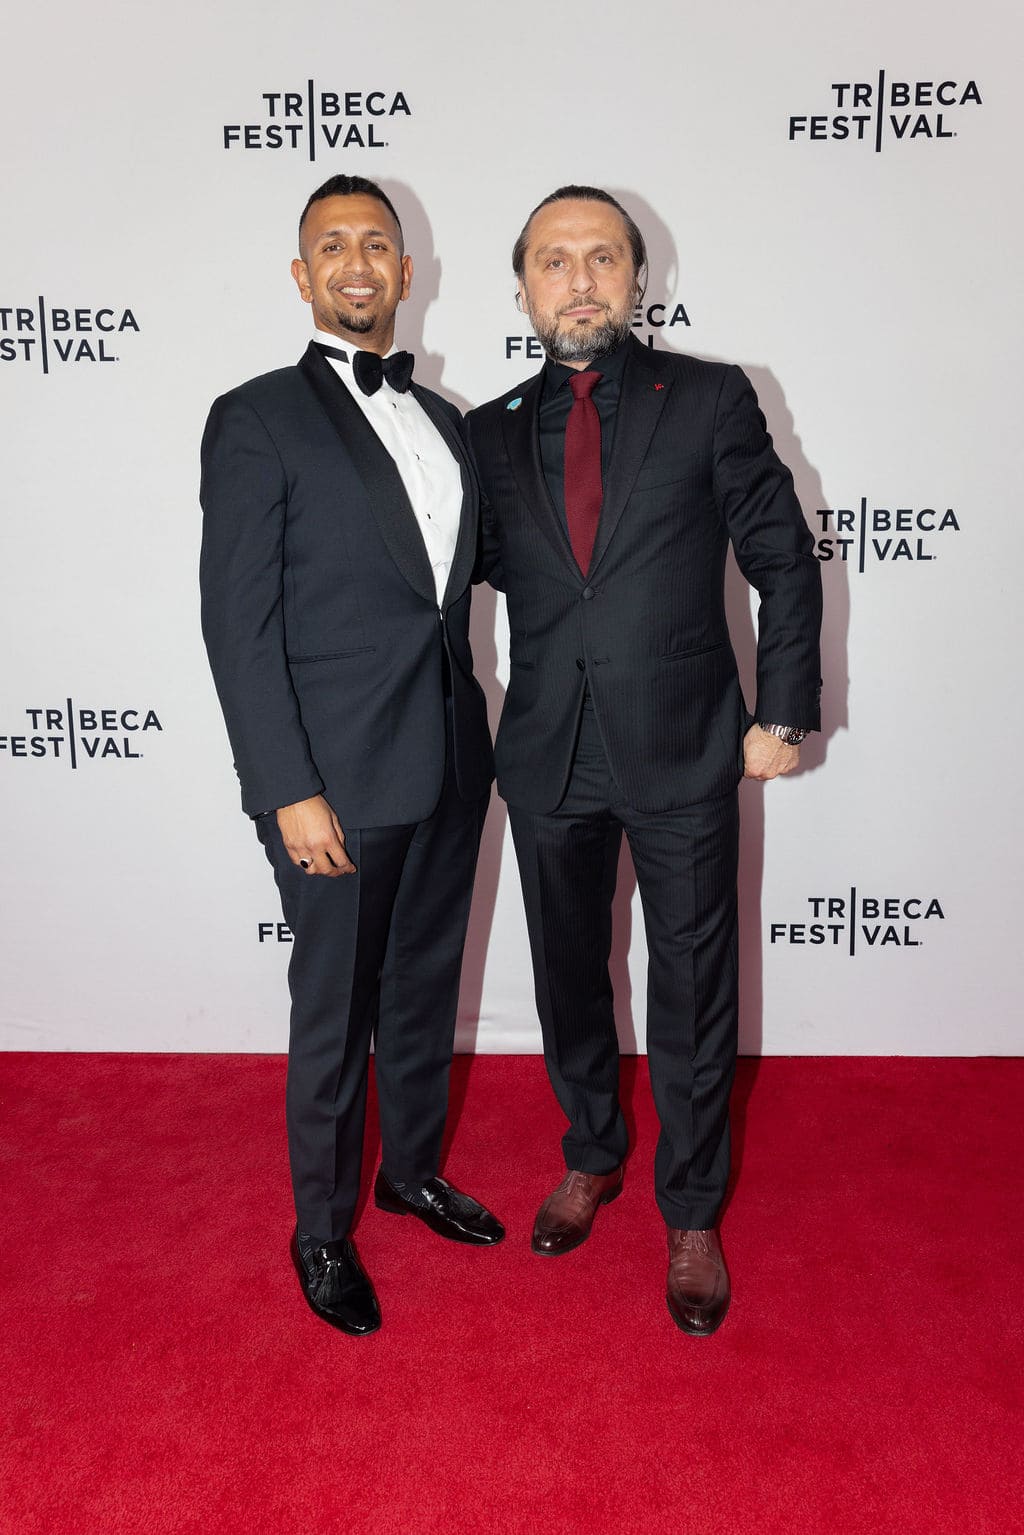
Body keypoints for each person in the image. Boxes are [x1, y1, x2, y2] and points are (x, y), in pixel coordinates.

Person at [466, 186, 822, 1336]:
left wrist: (782, 711)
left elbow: (784, 557)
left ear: (636, 277)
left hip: (683, 750)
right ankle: (590, 1149)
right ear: (523, 287)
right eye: (554, 260)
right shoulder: (485, 432)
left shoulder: (710, 399)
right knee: (568, 977)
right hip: (546, 757)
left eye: (601, 258)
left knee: (694, 988)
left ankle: (692, 1210)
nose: (578, 280)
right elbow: (441, 582)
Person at [200, 174, 502, 1338]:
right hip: (332, 779)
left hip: (450, 757)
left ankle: (409, 1171)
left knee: (424, 985)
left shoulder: (446, 421)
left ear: (408, 271)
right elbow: (238, 623)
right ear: (302, 275)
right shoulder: (256, 416)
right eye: (333, 245)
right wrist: (287, 788)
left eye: (377, 243)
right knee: (333, 1011)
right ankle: (321, 1229)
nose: (358, 261)